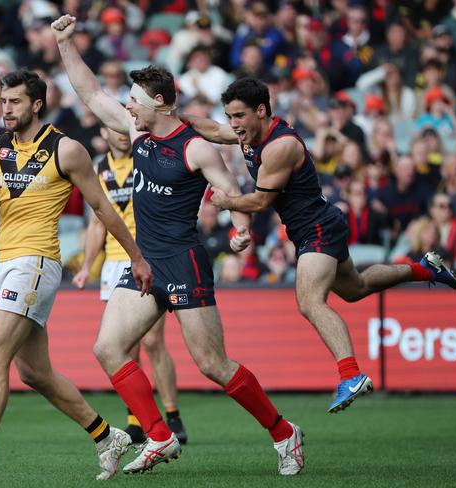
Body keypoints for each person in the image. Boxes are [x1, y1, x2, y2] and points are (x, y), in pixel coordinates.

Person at [53, 15, 304, 477]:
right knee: (108, 349)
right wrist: (65, 44)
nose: (127, 108)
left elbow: (229, 190)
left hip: (185, 261)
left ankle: (284, 433)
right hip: (146, 262)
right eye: (128, 101)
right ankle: (160, 436)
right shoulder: (137, 131)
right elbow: (90, 95)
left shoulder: (196, 148)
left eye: (135, 101)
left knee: (212, 364)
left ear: (162, 103)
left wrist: (240, 227)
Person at [182, 76, 456, 413]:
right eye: (230, 116)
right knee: (355, 288)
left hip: (318, 228)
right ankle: (424, 268)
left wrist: (225, 204)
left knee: (310, 301)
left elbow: (259, 203)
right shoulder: (249, 133)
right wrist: (174, 117)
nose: (233, 124)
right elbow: (212, 130)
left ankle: (351, 374)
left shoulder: (280, 146)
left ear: (260, 110)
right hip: (312, 228)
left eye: (239, 116)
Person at [0, 68, 152, 484]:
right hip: (7, 263)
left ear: (35, 104)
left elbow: (103, 208)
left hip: (36, 262)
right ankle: (108, 437)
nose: (6, 109)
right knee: (34, 373)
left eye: (14, 101)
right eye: (2, 102)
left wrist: (137, 257)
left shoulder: (66, 150)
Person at [71, 126, 188, 445]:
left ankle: (172, 414)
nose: (122, 134)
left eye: (125, 128)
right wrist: (85, 266)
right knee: (123, 347)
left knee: (153, 341)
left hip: (148, 256)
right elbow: (97, 222)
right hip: (113, 264)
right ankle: (136, 420)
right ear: (102, 132)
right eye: (114, 128)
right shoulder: (99, 169)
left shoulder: (146, 160)